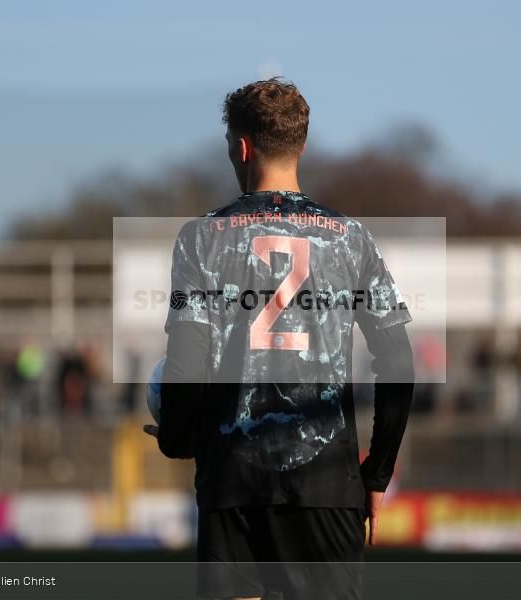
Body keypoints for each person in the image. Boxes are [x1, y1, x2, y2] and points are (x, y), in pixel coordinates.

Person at [143, 78, 414, 599]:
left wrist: (178, 439)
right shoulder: (351, 237)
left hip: (232, 482)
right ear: (302, 145)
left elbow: (186, 363)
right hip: (325, 482)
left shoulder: (199, 238)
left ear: (241, 147)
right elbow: (398, 360)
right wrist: (376, 473)